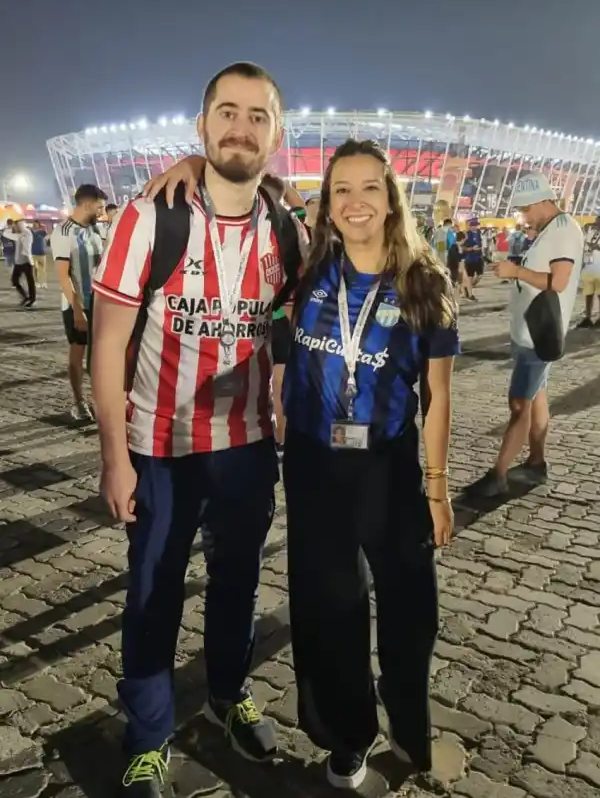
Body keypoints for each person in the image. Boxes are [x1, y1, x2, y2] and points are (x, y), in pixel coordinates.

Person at [91, 62, 305, 796]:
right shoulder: (149, 219)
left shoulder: (287, 228)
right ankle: (149, 733)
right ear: (202, 125)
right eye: (227, 112)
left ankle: (224, 695)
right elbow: (107, 344)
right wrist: (114, 457)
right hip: (160, 450)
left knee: (237, 584)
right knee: (153, 592)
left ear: (277, 136)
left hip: (246, 447)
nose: (241, 127)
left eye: (258, 116)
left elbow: (286, 316)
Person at [283, 139, 457, 789]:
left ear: (391, 201)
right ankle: (349, 730)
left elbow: (438, 396)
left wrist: (437, 490)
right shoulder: (310, 268)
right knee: (330, 604)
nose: (356, 202)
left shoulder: (423, 281)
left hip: (387, 463)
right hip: (312, 461)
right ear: (327, 206)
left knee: (412, 606)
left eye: (369, 189)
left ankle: (409, 718)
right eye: (342, 190)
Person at [474, 172, 583, 497]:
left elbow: (558, 281)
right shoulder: (553, 229)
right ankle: (536, 461)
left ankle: (499, 474)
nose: (522, 215)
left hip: (539, 333)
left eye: (525, 208)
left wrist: (516, 271)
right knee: (536, 399)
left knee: (519, 404)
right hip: (534, 331)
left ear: (541, 201)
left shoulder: (562, 232)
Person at [50, 184, 106, 421]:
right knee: (78, 352)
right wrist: (77, 311)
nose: (102, 212)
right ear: (87, 204)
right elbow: (63, 275)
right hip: (77, 305)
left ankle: (101, 400)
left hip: (99, 303)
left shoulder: (94, 230)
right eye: (100, 207)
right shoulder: (63, 232)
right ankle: (78, 401)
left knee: (100, 354)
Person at [577, 216, 600, 328]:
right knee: (588, 293)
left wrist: (597, 247)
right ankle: (587, 317)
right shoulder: (591, 233)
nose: (596, 222)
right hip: (589, 267)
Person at [7, 220, 36, 307]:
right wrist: (10, 228)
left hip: (26, 261)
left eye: (15, 226)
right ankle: (25, 296)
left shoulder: (27, 233)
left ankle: (31, 298)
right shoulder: (19, 235)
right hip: (19, 262)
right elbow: (7, 234)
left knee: (30, 281)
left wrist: (29, 260)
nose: (14, 228)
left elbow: (27, 246)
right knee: (14, 280)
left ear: (20, 226)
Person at [462, 217, 484, 297]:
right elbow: (462, 247)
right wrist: (471, 249)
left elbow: (480, 242)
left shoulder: (478, 232)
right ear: (470, 226)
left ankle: (469, 286)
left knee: (480, 275)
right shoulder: (466, 234)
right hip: (470, 258)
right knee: (470, 276)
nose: (476, 227)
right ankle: (469, 290)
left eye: (477, 225)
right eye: (474, 225)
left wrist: (481, 249)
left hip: (478, 257)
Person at [31, 221, 48, 288]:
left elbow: (47, 234)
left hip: (42, 253)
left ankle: (44, 282)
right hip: (33, 253)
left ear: (39, 225)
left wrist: (44, 228)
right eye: (34, 224)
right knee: (35, 269)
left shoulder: (42, 232)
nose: (35, 225)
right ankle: (37, 282)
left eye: (36, 224)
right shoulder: (30, 232)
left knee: (43, 269)